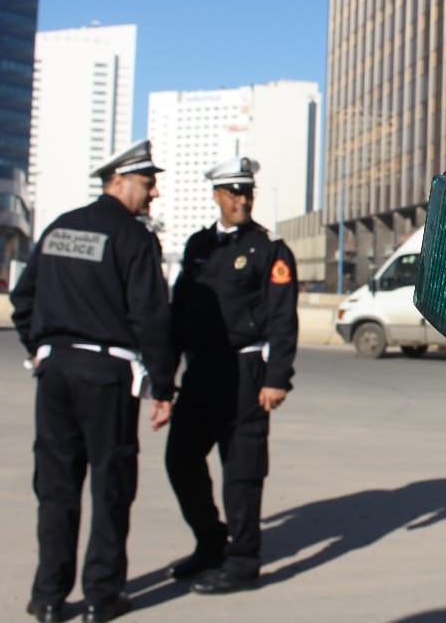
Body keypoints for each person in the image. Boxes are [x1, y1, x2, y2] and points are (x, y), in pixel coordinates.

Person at [11, 139, 175, 623]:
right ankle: (102, 596)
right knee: (111, 485)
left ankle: (47, 598)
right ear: (118, 181)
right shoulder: (135, 238)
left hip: (55, 371)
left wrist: (40, 351)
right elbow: (152, 319)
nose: (154, 194)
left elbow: (24, 301)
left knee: (56, 487)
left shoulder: (60, 228)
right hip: (107, 376)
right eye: (148, 184)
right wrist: (163, 387)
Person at [164, 156, 298, 594]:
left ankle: (243, 562)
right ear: (217, 195)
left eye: (247, 192)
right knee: (180, 458)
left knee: (241, 470)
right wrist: (164, 376)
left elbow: (282, 318)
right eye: (234, 192)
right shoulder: (198, 246)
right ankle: (210, 541)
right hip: (202, 369)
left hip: (245, 371)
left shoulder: (270, 250)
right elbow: (179, 311)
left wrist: (276, 376)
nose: (242, 199)